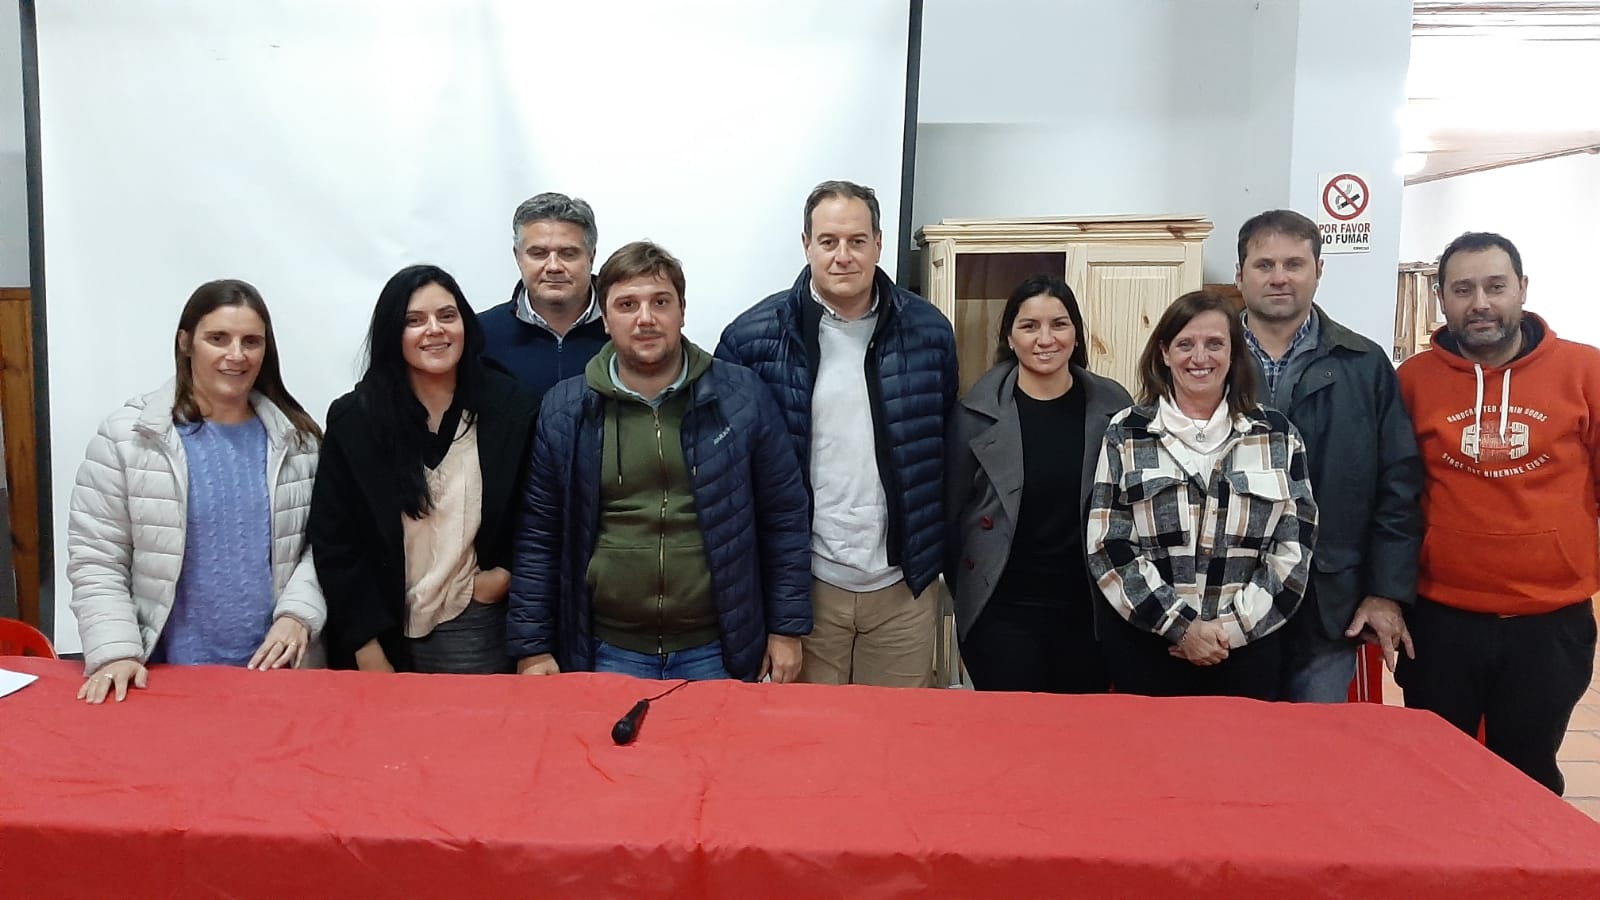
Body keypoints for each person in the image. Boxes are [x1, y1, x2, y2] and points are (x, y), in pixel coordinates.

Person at [508, 241, 811, 681]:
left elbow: (784, 517)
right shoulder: (566, 410)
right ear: (605, 319)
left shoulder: (742, 397)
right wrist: (533, 647)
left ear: (682, 311)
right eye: (627, 305)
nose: (645, 318)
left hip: (717, 650)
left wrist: (786, 629)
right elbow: (540, 536)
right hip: (606, 649)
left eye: (661, 302)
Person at [716, 180, 957, 687]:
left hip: (903, 590)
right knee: (809, 732)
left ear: (879, 243)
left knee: (897, 731)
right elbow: (733, 481)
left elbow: (943, 453)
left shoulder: (930, 332)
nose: (843, 255)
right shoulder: (749, 340)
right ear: (806, 245)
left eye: (857, 241)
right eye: (828, 241)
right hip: (807, 590)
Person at [1396, 231, 1600, 794]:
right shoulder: (1413, 380)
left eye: (1495, 286)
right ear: (1441, 297)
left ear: (1523, 289)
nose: (1480, 303)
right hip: (1439, 622)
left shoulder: (1585, 372)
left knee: (1526, 778)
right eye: (1463, 289)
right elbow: (1395, 495)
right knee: (1434, 777)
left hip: (1548, 623)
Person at [68, 279, 325, 703]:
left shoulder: (299, 442)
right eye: (218, 338)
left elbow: (324, 545)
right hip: (159, 677)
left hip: (276, 675)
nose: (236, 355)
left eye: (251, 341)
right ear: (186, 342)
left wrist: (299, 615)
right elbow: (97, 557)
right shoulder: (128, 438)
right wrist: (116, 651)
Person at [1086, 290, 1317, 699]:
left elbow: (1294, 547)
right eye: (1185, 344)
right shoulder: (1127, 432)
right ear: (1164, 352)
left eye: (1214, 344)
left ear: (1233, 353)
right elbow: (1108, 545)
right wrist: (1182, 627)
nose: (1200, 357)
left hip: (1247, 652)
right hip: (1150, 649)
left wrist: (1228, 630)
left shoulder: (1277, 435)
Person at [309, 264, 539, 673]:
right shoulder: (355, 419)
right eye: (414, 320)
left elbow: (536, 513)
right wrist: (365, 643)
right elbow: (334, 540)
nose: (434, 330)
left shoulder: (511, 408)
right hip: (380, 627)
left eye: (447, 315)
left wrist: (500, 578)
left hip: (472, 620)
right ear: (391, 333)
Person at [1234, 209, 1424, 702]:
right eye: (1264, 265)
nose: (1279, 277)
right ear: (1240, 275)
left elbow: (1398, 486)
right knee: (1230, 740)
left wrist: (1386, 592)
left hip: (1329, 603)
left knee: (1315, 742)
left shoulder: (1364, 365)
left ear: (1319, 270)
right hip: (1226, 601)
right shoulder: (1204, 357)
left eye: (1294, 264)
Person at [945, 275, 1131, 692]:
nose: (1045, 339)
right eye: (1029, 326)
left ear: (1076, 335)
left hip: (1090, 614)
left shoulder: (1116, 410)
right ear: (1009, 337)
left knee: (1079, 729)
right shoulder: (972, 416)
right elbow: (952, 519)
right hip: (1001, 614)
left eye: (1059, 324)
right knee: (1013, 729)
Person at [477, 192, 609, 397]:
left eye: (568, 253)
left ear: (591, 257)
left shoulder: (625, 330)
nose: (553, 266)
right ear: (518, 257)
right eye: (538, 254)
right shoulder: (481, 335)